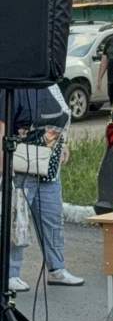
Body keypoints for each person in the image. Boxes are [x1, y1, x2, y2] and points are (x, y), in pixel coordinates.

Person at [0, 85, 85, 292]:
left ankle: (57, 268)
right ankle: (10, 273)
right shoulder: (14, 87)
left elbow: (61, 119)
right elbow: (2, 126)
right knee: (17, 220)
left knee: (52, 218)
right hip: (20, 167)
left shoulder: (52, 85)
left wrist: (62, 145)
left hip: (49, 166)